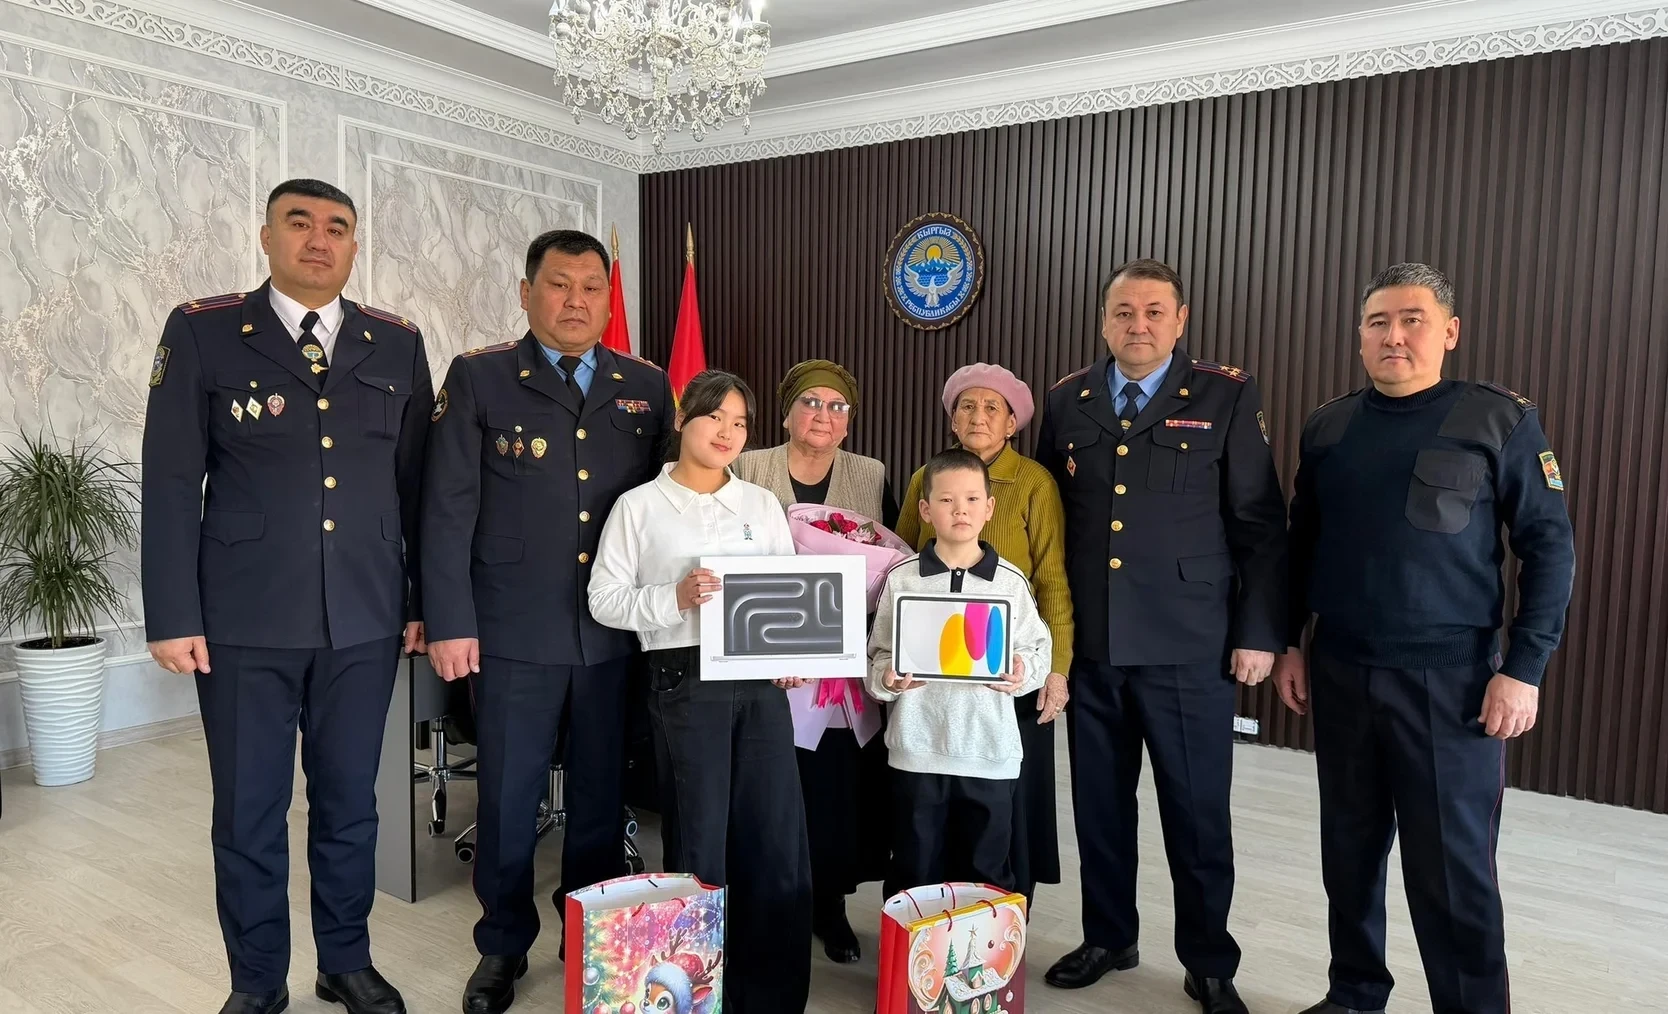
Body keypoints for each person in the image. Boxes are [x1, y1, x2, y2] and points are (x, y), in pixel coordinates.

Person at [141, 178, 431, 1014]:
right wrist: (173, 614)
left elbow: (418, 488)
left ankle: (345, 961)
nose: (318, 240)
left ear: (354, 246)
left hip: (365, 619)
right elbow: (171, 478)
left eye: (337, 227)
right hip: (244, 620)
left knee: (350, 806)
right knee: (249, 813)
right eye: (298, 223)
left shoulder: (396, 343)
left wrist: (420, 602)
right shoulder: (203, 331)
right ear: (265, 237)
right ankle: (258, 982)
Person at [1273, 263, 1576, 1014]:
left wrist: (1525, 668)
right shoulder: (1329, 426)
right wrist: (1288, 640)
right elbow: (1300, 544)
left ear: (1450, 332)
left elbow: (1549, 548)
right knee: (1349, 853)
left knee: (1451, 871)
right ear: (1360, 336)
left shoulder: (1499, 420)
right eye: (1378, 322)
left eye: (1413, 320)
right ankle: (1354, 994)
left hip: (1453, 684)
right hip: (1342, 671)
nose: (1394, 336)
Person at [420, 229, 674, 1014]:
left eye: (592, 288)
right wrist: (449, 620)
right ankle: (501, 946)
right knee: (506, 799)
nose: (575, 301)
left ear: (608, 300)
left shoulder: (646, 385)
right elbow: (446, 507)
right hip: (511, 631)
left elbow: (668, 508)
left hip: (612, 635)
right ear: (527, 292)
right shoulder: (480, 377)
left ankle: (588, 940)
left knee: (600, 799)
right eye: (559, 285)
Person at [1035, 258, 1287, 1014]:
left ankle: (1208, 961)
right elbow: (1051, 521)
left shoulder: (1224, 395)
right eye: (1123, 312)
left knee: (1196, 814)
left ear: (1181, 321)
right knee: (1100, 809)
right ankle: (1109, 937)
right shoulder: (1068, 399)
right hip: (1096, 646)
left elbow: (1258, 523)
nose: (1137, 325)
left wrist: (1259, 632)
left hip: (1188, 645)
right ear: (1103, 320)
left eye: (1153, 312)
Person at [588, 369, 814, 1013]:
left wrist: (794, 655)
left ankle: (770, 996)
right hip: (684, 679)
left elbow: (789, 595)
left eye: (740, 423)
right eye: (716, 416)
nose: (728, 432)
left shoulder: (761, 505)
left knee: (773, 833)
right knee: (700, 835)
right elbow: (604, 599)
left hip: (759, 683)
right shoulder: (639, 506)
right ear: (684, 419)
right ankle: (697, 993)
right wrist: (674, 597)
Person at [731, 359, 895, 963]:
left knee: (833, 789)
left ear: (849, 421)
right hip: (764, 652)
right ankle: (772, 903)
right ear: (786, 413)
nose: (823, 415)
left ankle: (829, 905)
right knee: (771, 783)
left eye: (837, 405)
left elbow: (891, 558)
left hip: (840, 665)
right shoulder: (748, 465)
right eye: (810, 402)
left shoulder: (870, 474)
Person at [894, 364, 1073, 906]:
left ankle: (992, 927)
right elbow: (899, 555)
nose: (978, 416)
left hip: (1002, 671)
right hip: (929, 688)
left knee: (997, 815)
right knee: (924, 823)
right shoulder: (927, 476)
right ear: (952, 420)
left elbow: (1052, 581)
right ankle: (927, 924)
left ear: (1013, 423)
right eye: (966, 406)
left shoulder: (1034, 482)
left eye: (993, 407)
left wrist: (1055, 670)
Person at [867, 448, 1053, 897]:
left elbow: (1038, 651)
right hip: (916, 751)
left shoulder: (1010, 581)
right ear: (925, 510)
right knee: (913, 869)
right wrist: (888, 679)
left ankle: (987, 947)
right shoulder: (902, 578)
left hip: (989, 752)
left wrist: (1023, 672)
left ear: (989, 508)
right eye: (946, 500)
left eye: (971, 499)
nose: (960, 510)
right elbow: (877, 656)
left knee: (987, 873)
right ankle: (912, 947)